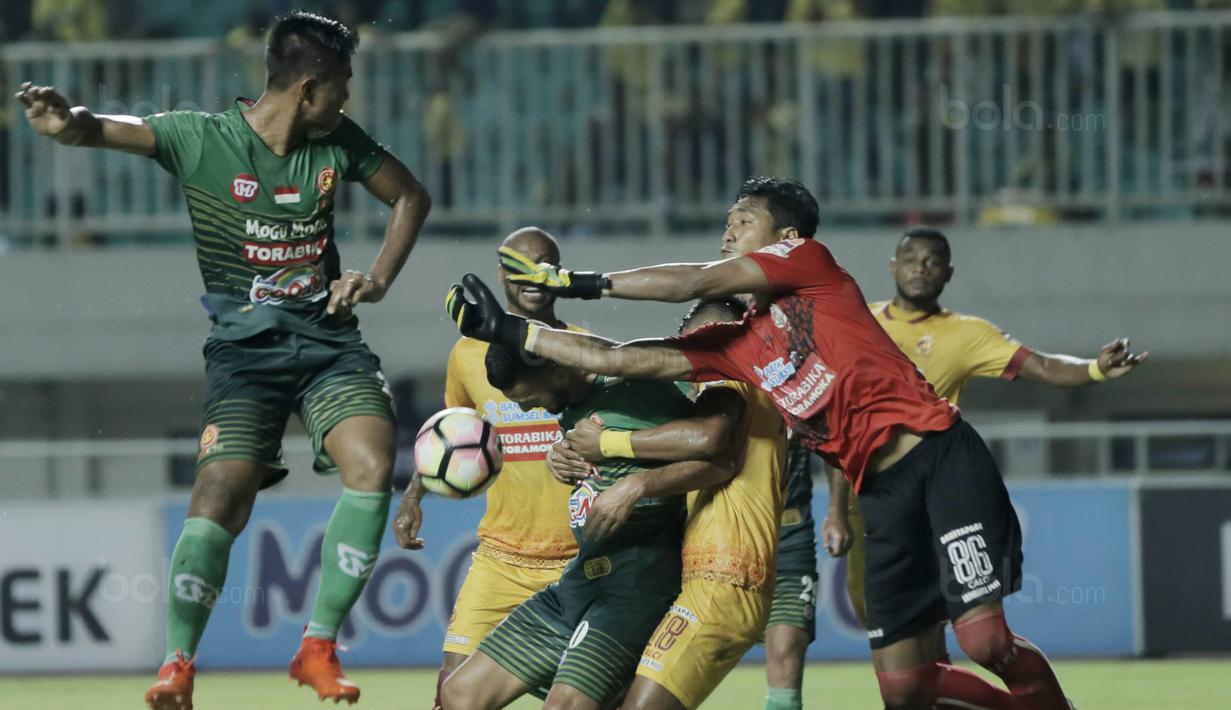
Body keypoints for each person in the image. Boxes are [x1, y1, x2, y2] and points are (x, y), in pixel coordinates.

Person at [447, 176, 1143, 708]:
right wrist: (512, 331)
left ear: (783, 234)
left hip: (936, 453)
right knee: (903, 689)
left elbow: (697, 282)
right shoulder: (735, 344)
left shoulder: (810, 266)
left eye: (741, 220)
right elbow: (618, 357)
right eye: (726, 221)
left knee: (983, 639)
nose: (727, 231)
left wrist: (572, 282)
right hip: (881, 491)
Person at [16, 12, 431, 709]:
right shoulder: (199, 138)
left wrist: (377, 278)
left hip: (328, 343)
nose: (346, 102)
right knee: (217, 500)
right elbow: (112, 128)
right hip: (244, 355)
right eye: (342, 87)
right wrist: (70, 123)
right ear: (308, 87)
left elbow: (410, 196)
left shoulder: (337, 144)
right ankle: (177, 666)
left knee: (371, 461)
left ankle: (317, 647)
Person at [839, 225, 1147, 636]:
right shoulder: (860, 323)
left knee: (938, 624)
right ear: (894, 267)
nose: (920, 269)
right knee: (873, 619)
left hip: (929, 492)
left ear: (949, 273)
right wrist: (834, 509)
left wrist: (1096, 369)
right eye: (911, 261)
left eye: (931, 262)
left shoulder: (967, 333)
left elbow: (1042, 366)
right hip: (868, 491)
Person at [440, 343, 716, 710]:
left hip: (633, 589)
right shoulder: (571, 404)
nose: (524, 409)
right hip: (579, 584)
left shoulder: (639, 387)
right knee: (459, 694)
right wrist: (559, 450)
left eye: (527, 396)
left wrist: (638, 486)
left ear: (557, 370)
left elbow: (717, 458)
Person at [550, 298, 789, 709]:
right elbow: (636, 415)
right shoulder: (697, 398)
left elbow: (715, 453)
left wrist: (628, 474)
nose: (719, 350)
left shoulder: (733, 384)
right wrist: (562, 450)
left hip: (727, 577)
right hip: (693, 578)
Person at [391, 227, 583, 709]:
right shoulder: (468, 354)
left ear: (560, 274)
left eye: (546, 264)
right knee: (451, 696)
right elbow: (452, 433)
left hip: (577, 560)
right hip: (500, 558)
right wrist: (414, 496)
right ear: (501, 274)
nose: (534, 277)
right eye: (521, 266)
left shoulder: (584, 348)